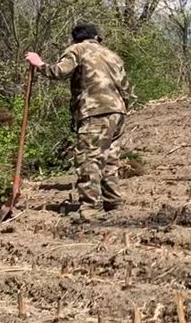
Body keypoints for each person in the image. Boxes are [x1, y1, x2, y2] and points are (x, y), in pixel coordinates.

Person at [25, 24, 133, 221]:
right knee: (109, 158)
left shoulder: (77, 50)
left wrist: (39, 64)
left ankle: (91, 208)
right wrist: (121, 107)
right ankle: (113, 201)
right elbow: (126, 87)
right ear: (97, 38)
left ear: (76, 39)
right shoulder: (112, 56)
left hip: (94, 110)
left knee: (89, 159)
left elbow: (59, 72)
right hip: (118, 112)